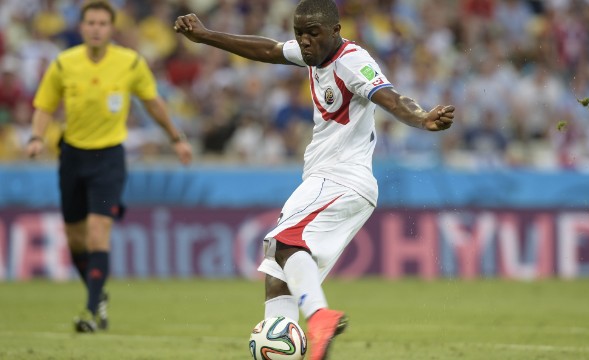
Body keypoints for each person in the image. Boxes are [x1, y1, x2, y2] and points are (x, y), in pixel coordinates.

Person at [175, 1, 454, 358]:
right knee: (278, 273)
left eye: (312, 34)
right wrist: (206, 36)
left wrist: (422, 118)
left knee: (284, 240)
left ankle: (320, 316)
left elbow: (391, 97)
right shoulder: (315, 55)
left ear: (335, 31)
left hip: (342, 179)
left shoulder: (352, 60)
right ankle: (284, 348)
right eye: (299, 34)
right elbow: (269, 49)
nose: (304, 42)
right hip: (322, 179)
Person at [26, 0, 193, 333]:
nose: (97, 28)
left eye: (103, 23)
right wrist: (36, 136)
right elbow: (45, 105)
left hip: (109, 159)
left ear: (111, 28)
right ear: (82, 27)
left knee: (98, 232)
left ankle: (90, 311)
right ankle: (98, 295)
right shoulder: (64, 63)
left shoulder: (130, 63)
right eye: (91, 23)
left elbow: (152, 102)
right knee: (75, 239)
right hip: (72, 155)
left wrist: (177, 137)